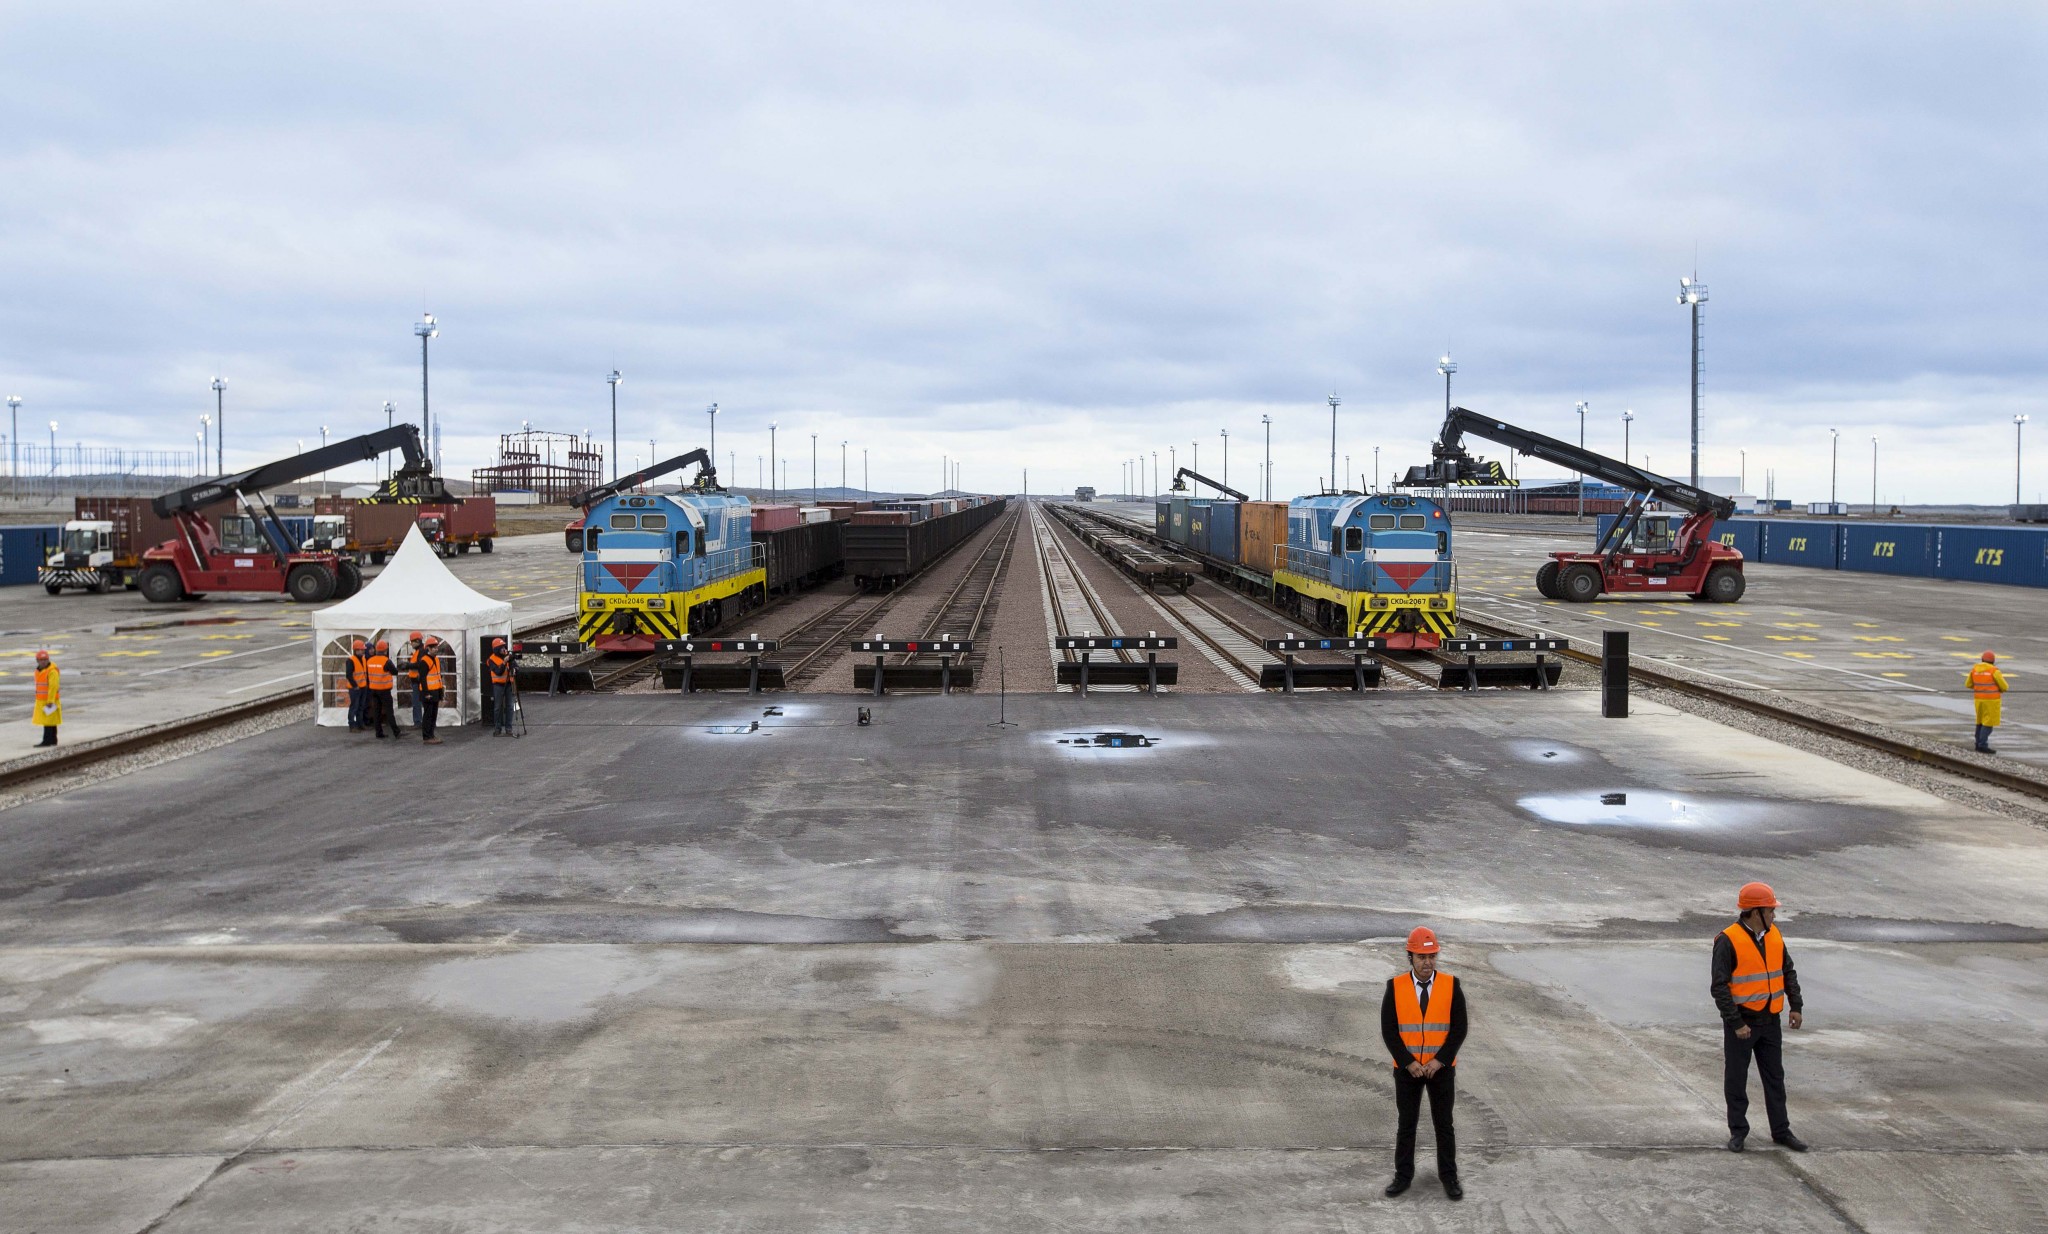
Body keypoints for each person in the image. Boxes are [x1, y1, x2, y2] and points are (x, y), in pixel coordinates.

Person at [1712, 881, 1807, 1153]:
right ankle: (1738, 1132)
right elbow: (1719, 987)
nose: (1774, 915)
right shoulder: (1728, 940)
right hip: (1742, 1023)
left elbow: (1787, 971)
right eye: (1770, 910)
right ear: (1756, 912)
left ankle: (1781, 1131)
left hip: (1770, 1020)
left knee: (1775, 1078)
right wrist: (1736, 1023)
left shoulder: (1774, 935)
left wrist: (1796, 1005)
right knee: (1736, 1080)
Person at [1380, 926, 1466, 1201]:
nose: (1427, 962)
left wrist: (1440, 1060)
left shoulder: (1451, 985)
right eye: (1421, 957)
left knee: (1444, 1125)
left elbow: (1459, 1029)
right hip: (1409, 1071)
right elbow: (1389, 1030)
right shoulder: (1395, 987)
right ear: (1411, 957)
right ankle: (1402, 1177)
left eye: (1431, 956)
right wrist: (1408, 1062)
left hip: (1440, 1069)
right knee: (1406, 1125)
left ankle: (1449, 1177)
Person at [1968, 651, 2009, 754]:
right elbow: (2004, 687)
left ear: (1982, 660)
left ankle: (1978, 743)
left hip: (1978, 699)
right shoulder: (1994, 671)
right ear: (1993, 661)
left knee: (1980, 722)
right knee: (1988, 724)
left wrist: (1980, 688)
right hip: (1991, 700)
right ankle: (1982, 745)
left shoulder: (1974, 669)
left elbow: (1968, 684)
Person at [408, 635, 446, 745]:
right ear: (428, 648)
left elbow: (438, 676)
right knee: (428, 715)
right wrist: (426, 693)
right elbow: (423, 678)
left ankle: (431, 735)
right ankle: (427, 736)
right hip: (428, 692)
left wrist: (440, 692)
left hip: (435, 690)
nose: (436, 649)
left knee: (433, 715)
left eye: (436, 647)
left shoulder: (436, 660)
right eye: (433, 647)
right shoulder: (424, 661)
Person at [366, 639, 403, 739]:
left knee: (376, 712)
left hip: (373, 690)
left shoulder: (369, 661)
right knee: (389, 711)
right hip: (384, 690)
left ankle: (379, 733)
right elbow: (395, 672)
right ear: (385, 651)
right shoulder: (386, 661)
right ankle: (396, 732)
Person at [31, 650, 61, 748]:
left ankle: (47, 741)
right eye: (41, 660)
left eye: (45, 659)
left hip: (50, 701)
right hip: (42, 700)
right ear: (37, 660)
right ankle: (53, 740)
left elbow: (53, 687)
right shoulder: (38, 671)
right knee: (50, 721)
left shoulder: (52, 671)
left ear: (48, 659)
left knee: (48, 722)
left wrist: (50, 701)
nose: (43, 661)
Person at [487, 637, 515, 736]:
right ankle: (497, 728)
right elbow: (498, 672)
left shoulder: (508, 656)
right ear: (496, 649)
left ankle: (509, 728)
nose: (504, 649)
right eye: (501, 648)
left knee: (510, 706)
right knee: (498, 707)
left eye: (504, 647)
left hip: (508, 684)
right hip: (498, 685)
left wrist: (514, 668)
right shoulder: (491, 660)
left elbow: (516, 667)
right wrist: (504, 662)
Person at [345, 638, 370, 733]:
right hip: (355, 688)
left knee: (361, 706)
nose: (363, 651)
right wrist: (355, 685)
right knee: (354, 707)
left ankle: (360, 724)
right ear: (357, 650)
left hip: (363, 686)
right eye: (362, 650)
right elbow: (348, 675)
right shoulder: (351, 660)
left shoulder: (363, 659)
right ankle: (352, 725)